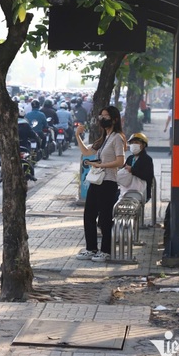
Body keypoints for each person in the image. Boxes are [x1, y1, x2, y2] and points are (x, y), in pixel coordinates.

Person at [75, 106, 126, 262]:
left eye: (106, 116)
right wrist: (78, 135)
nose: (103, 119)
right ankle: (91, 248)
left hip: (108, 182)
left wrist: (100, 165)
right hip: (96, 182)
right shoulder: (104, 138)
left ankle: (105, 251)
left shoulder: (117, 137)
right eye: (101, 116)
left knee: (104, 218)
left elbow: (120, 161)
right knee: (89, 215)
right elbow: (86, 152)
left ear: (114, 119)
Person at [122, 132, 154, 205]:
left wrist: (132, 170)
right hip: (127, 190)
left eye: (136, 142)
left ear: (143, 145)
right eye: (132, 143)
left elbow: (148, 176)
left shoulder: (147, 159)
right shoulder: (130, 158)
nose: (133, 145)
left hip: (141, 192)